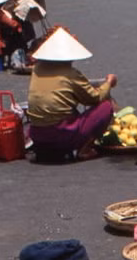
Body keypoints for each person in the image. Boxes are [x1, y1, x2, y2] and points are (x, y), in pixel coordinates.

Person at [23, 25, 117, 159]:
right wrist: (109, 83)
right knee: (106, 107)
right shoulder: (71, 74)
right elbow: (94, 98)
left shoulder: (37, 69)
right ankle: (85, 149)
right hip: (60, 137)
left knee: (68, 110)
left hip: (37, 137)